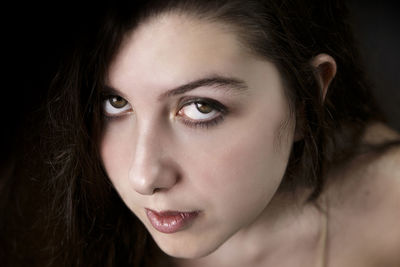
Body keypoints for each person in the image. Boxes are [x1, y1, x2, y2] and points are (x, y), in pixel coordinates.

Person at [2, 0, 400, 266]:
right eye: (115, 103)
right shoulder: (34, 209)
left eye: (200, 107)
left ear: (305, 98)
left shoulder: (389, 205)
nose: (144, 177)